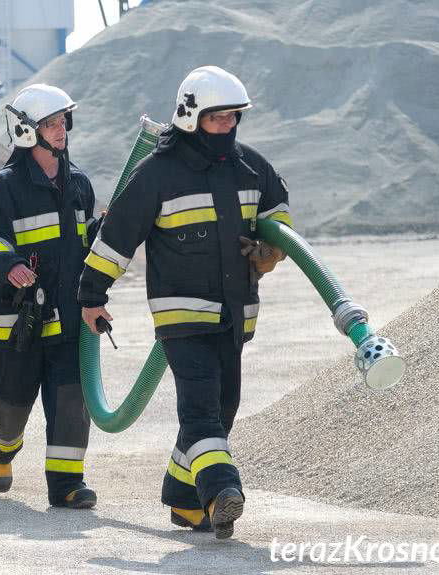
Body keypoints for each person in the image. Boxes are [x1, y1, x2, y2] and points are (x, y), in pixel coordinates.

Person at [79, 66, 292, 537]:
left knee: (224, 408)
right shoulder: (157, 172)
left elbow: (278, 213)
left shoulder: (251, 166)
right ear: (191, 117)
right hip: (182, 319)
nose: (228, 127)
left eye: (234, 118)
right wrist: (92, 296)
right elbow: (116, 239)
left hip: (236, 313)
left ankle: (182, 498)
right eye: (218, 119)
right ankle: (222, 491)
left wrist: (271, 249)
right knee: (199, 409)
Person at [0, 84, 100, 509]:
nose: (60, 130)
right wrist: (8, 265)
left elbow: (83, 244)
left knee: (70, 400)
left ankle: (66, 484)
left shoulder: (78, 183)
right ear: (28, 131)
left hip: (65, 317)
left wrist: (105, 234)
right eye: (50, 123)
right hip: (18, 324)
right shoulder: (6, 187)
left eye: (63, 120)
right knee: (12, 405)